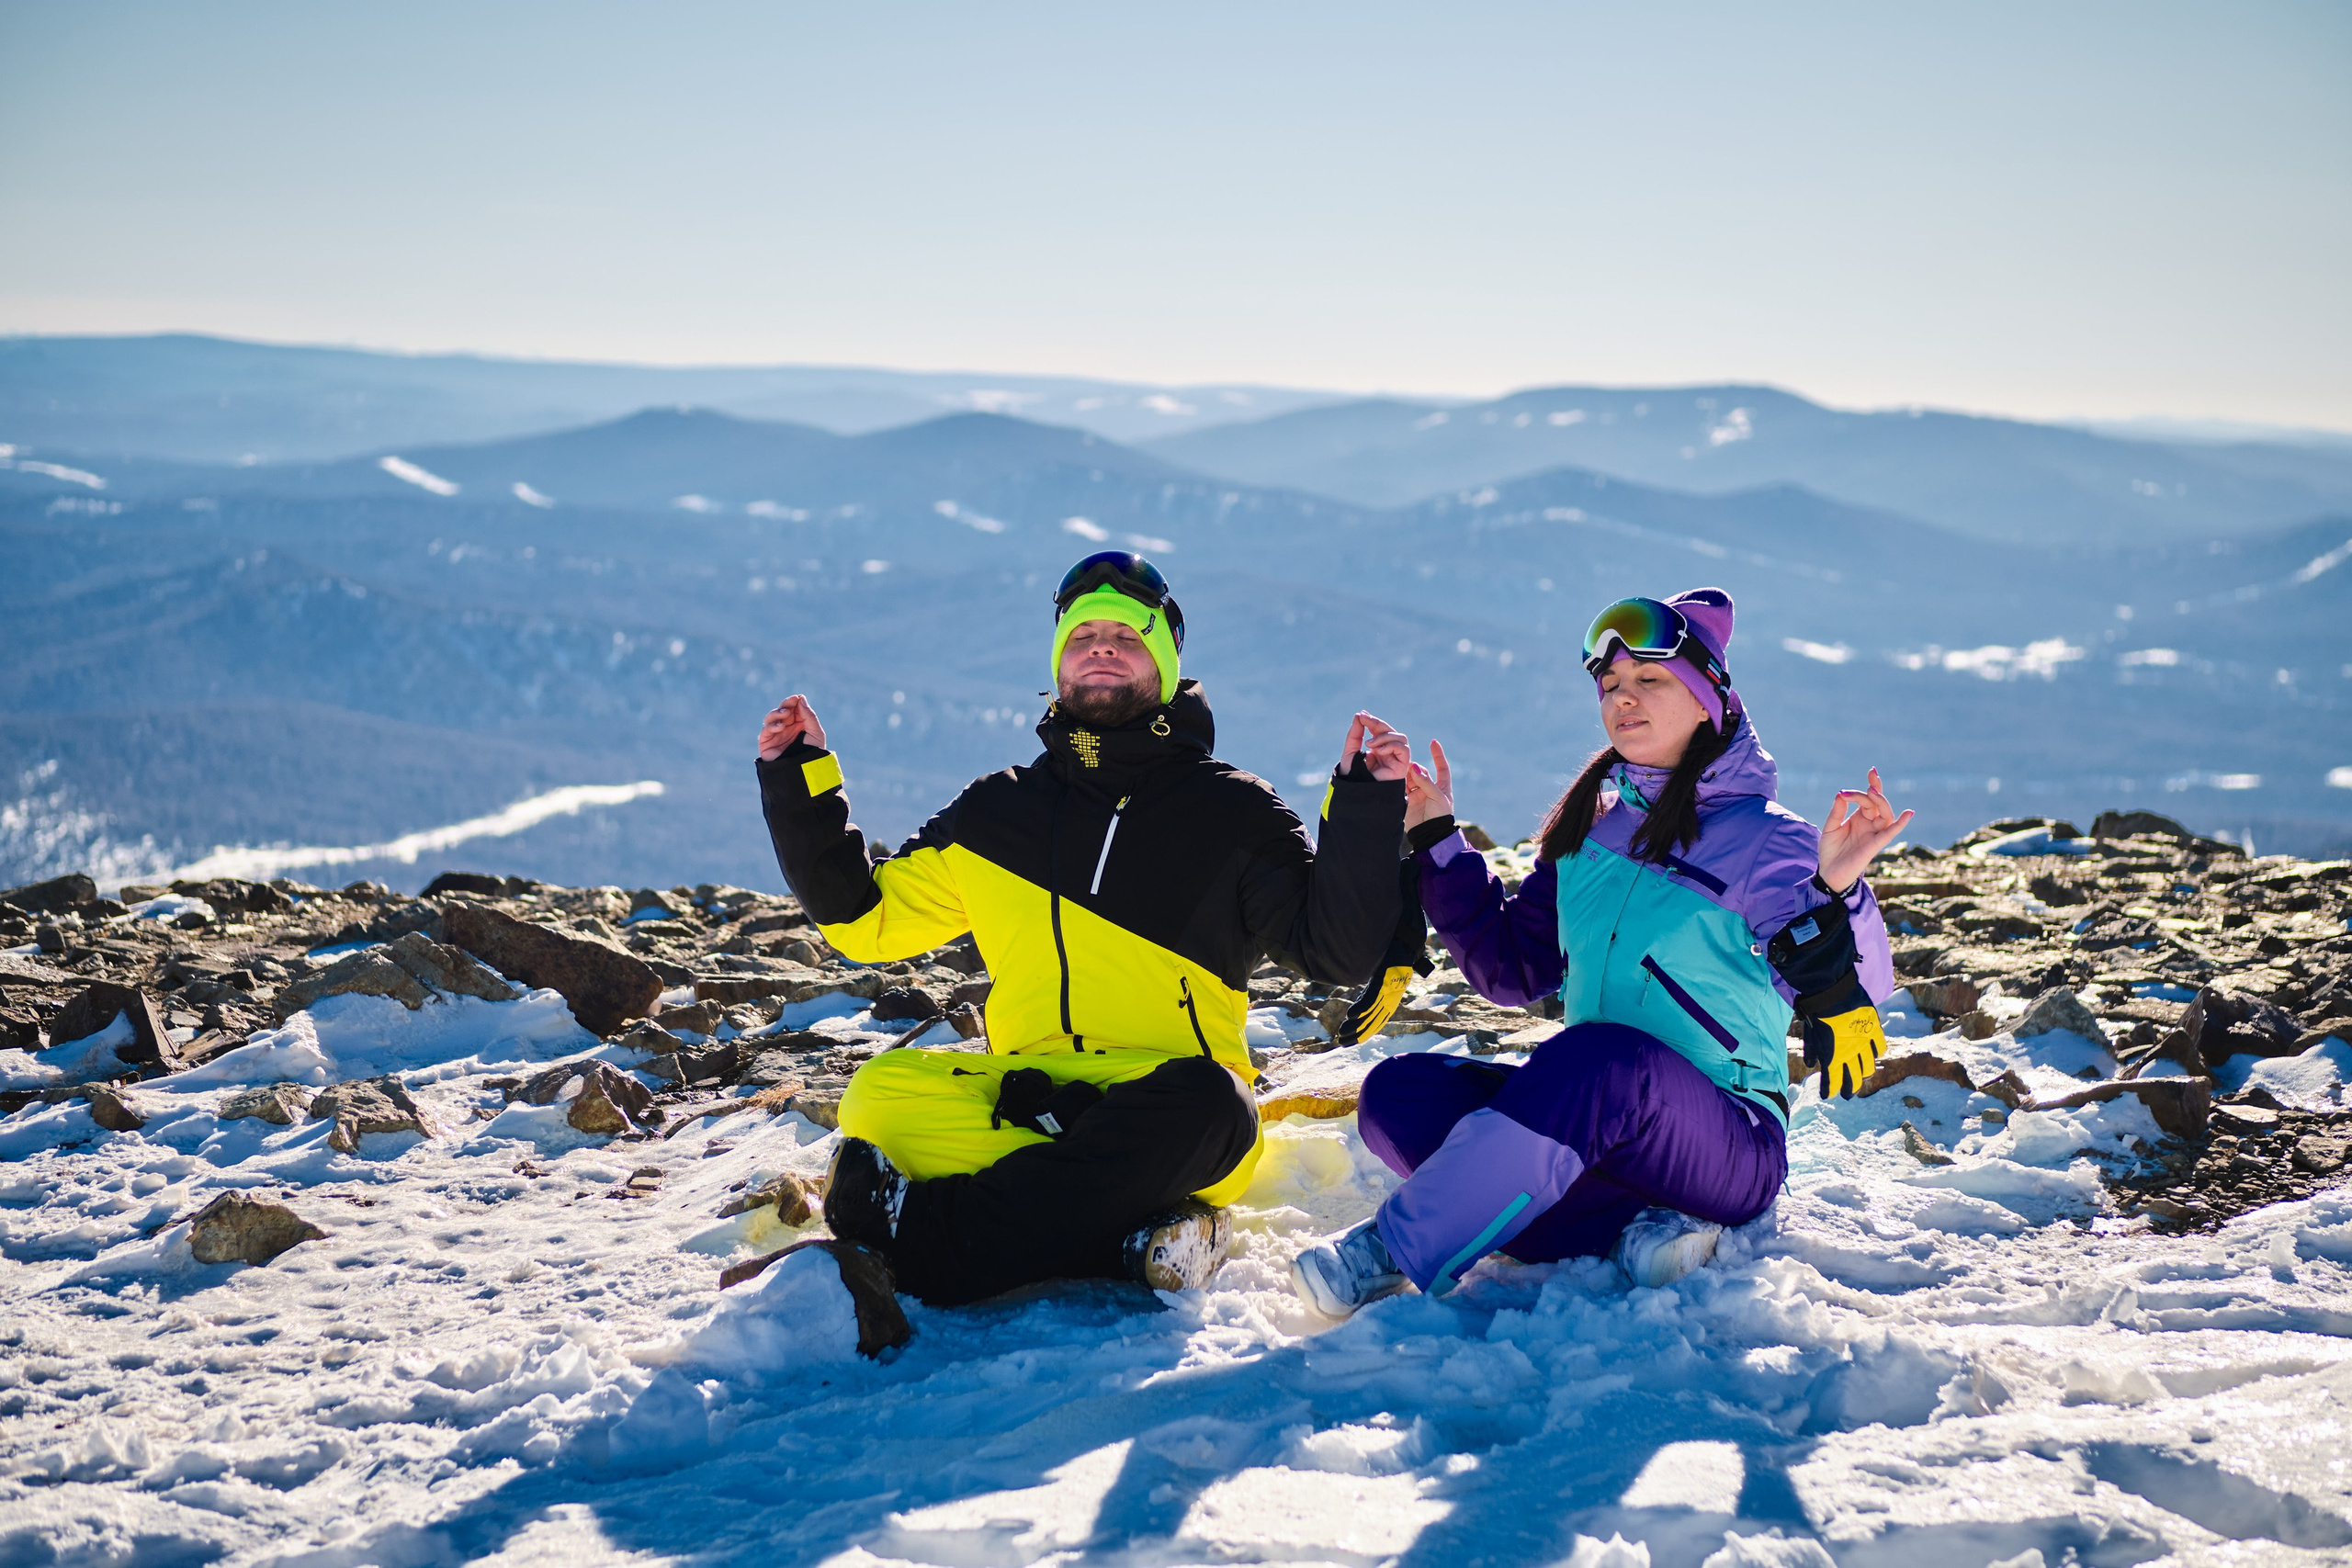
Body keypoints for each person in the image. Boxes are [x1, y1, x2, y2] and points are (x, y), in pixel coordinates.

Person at [758, 551, 1419, 1306]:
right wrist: (798, 780)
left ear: (1167, 665)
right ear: (1058, 664)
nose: (1102, 646)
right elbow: (865, 921)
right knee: (876, 1095)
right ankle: (1135, 1237)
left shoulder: (1232, 812)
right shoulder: (995, 814)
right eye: (1082, 636)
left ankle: (939, 1242)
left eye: (1128, 636)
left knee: (1221, 1108)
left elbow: (1331, 951)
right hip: (1029, 1097)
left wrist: (1366, 810)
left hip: (1168, 1108)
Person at [1292, 587, 1910, 1317]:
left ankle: (1391, 1252)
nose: (1624, 698)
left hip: (1729, 1140)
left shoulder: (1768, 839)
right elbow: (1512, 967)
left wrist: (1838, 888)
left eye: (1650, 679)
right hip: (1605, 1120)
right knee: (1398, 1095)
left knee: (1598, 1058)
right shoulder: (1594, 829)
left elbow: (1863, 982)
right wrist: (1437, 838)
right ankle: (1630, 1232)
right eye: (1611, 684)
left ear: (1707, 696)